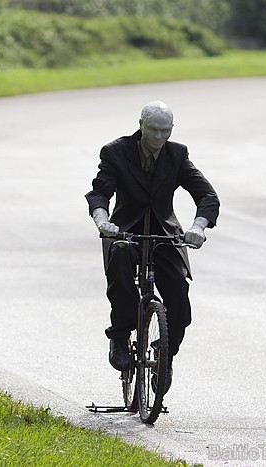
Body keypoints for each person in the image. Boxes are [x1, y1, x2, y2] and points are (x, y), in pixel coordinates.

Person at [84, 100, 219, 393]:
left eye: (166, 131)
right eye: (154, 130)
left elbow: (207, 196)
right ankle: (120, 336)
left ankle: (165, 355)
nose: (160, 138)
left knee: (179, 295)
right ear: (141, 125)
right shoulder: (116, 152)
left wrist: (198, 228)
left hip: (165, 231)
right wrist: (102, 220)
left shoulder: (177, 154)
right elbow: (100, 191)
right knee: (120, 264)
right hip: (124, 230)